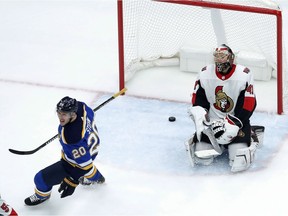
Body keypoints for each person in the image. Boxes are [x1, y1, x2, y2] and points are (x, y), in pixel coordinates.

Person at [187, 44, 263, 172]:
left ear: (230, 58)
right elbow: (198, 99)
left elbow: (249, 103)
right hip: (212, 124)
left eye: (222, 56)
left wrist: (234, 124)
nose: (218, 59)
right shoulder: (204, 73)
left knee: (237, 161)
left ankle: (250, 134)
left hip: (236, 122)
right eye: (216, 56)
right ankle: (217, 143)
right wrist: (201, 117)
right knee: (202, 158)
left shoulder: (244, 74)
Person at [24, 96, 105, 206]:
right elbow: (90, 115)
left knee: (39, 179)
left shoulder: (72, 137)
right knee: (85, 162)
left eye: (64, 114)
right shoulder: (82, 107)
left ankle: (42, 196)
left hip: (77, 159)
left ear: (72, 114)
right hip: (92, 148)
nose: (60, 117)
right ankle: (97, 177)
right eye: (59, 113)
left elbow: (85, 165)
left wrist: (72, 180)